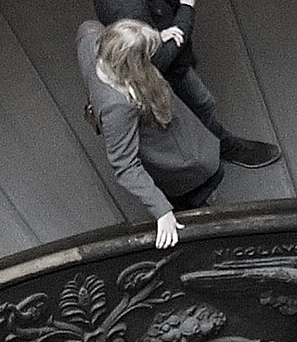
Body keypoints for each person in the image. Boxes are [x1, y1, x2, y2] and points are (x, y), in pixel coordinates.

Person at [81, 0, 281, 169]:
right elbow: (158, 60)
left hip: (143, 18)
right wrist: (186, 11)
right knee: (201, 101)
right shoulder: (127, 7)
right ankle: (222, 147)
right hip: (153, 58)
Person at [84, 16, 226, 249]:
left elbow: (87, 27)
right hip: (175, 153)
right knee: (206, 174)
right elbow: (125, 165)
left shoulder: (91, 41)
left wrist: (156, 38)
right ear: (132, 65)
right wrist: (162, 211)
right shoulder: (119, 106)